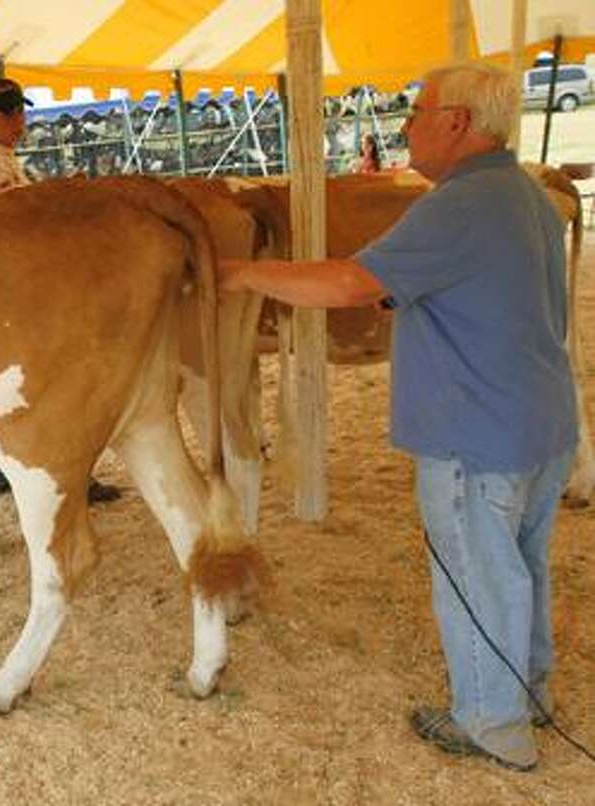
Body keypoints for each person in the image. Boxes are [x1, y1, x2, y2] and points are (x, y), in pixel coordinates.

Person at [219, 62, 576, 772]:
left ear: (457, 123)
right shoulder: (528, 194)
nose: (407, 124)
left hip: (477, 433)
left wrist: (241, 273)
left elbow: (351, 283)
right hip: (541, 421)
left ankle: (493, 724)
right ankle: (527, 691)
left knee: (477, 572)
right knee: (517, 566)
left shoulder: (459, 203)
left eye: (417, 110)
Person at [0, 77, 120, 504]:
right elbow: (17, 224)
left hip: (14, 288)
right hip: (15, 291)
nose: (18, 120)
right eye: (9, 113)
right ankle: (51, 474)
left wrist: (58, 192)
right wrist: (61, 199)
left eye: (19, 111)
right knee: (56, 387)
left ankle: (33, 473)